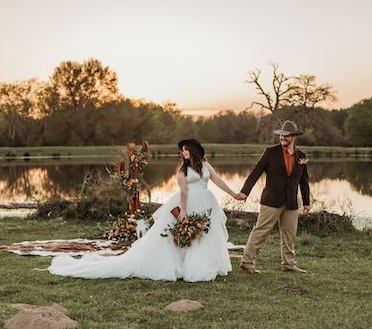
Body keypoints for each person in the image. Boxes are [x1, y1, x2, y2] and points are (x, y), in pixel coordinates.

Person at [48, 139, 235, 282]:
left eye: (186, 149)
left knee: (206, 233)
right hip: (188, 202)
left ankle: (206, 265)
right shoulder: (182, 172)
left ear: (194, 150)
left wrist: (234, 194)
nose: (184, 152)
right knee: (183, 234)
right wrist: (183, 211)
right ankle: (187, 267)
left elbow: (217, 180)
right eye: (182, 150)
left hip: (207, 201)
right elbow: (184, 191)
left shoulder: (206, 165)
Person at [235, 120, 311, 274]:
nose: (283, 138)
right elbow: (256, 172)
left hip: (291, 202)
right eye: (281, 136)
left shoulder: (301, 156)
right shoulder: (270, 152)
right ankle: (247, 262)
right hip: (271, 200)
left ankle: (288, 264)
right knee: (261, 230)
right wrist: (245, 192)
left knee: (290, 234)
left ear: (293, 137)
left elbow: (304, 181)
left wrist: (306, 202)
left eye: (286, 136)